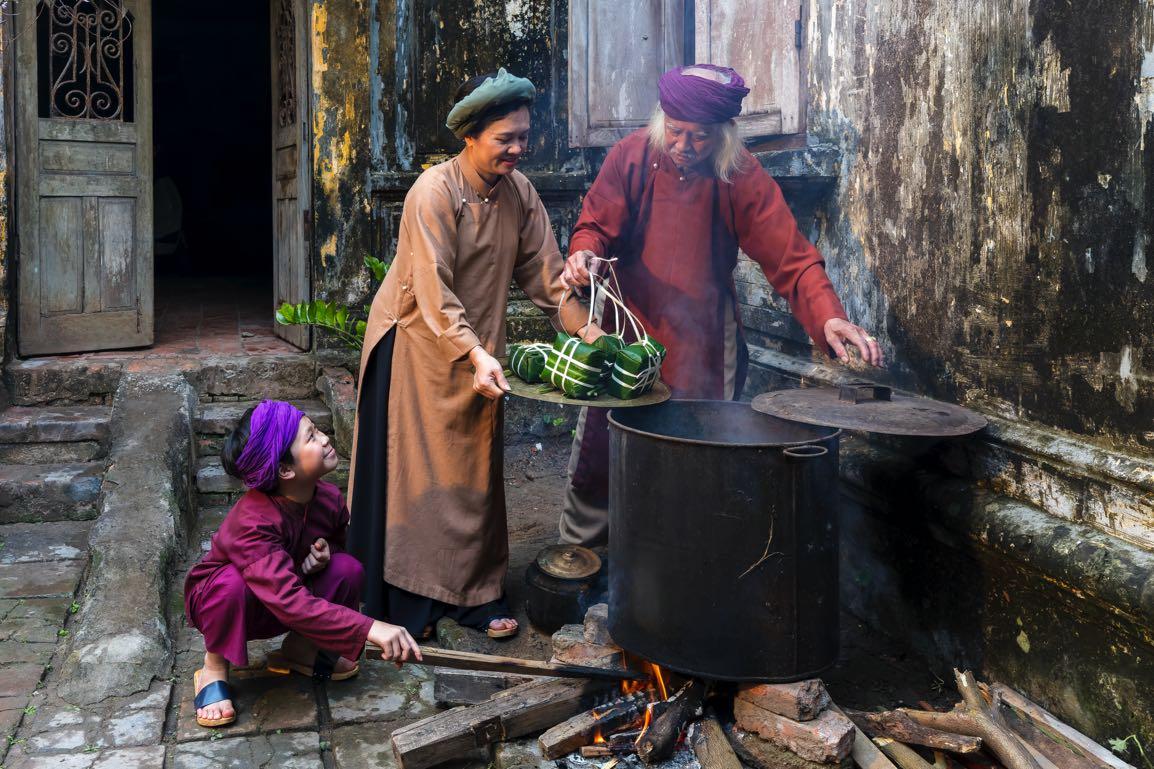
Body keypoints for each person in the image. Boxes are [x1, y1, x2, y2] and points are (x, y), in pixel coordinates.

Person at [558, 64, 885, 546]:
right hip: (628, 328)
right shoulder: (630, 156)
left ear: (724, 134)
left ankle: (684, 556)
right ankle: (579, 554)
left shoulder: (740, 174)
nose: (684, 146)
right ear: (662, 120)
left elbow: (791, 258)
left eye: (700, 137)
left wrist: (829, 316)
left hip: (705, 340)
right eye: (675, 131)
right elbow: (594, 227)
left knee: (696, 449)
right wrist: (583, 254)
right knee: (603, 444)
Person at [347, 69, 594, 641]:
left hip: (481, 349)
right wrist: (474, 353)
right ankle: (411, 603)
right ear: (470, 136)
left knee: (474, 471)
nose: (518, 148)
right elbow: (431, 290)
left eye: (524, 136)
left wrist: (589, 333)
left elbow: (548, 278)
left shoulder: (519, 193)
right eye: (505, 138)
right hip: (418, 343)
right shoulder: (433, 192)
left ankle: (475, 596)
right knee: (418, 477)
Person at [184, 401, 420, 728]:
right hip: (237, 605)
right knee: (230, 584)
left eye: (317, 430)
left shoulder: (329, 498)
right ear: (285, 470)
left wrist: (326, 553)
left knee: (347, 569)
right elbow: (289, 601)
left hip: (287, 594)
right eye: (311, 437)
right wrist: (370, 627)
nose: (324, 438)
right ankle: (214, 666)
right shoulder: (252, 521)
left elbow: (337, 544)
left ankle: (300, 648)